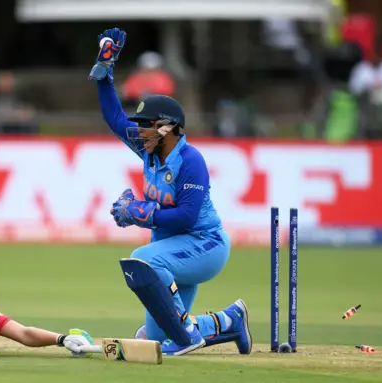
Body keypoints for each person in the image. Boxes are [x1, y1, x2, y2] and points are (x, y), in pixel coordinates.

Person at [89, 28, 252, 356]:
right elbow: (114, 117)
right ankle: (230, 320)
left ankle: (188, 333)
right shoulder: (149, 147)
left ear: (167, 128)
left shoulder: (191, 161)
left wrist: (139, 212)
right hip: (172, 251)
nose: (139, 129)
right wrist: (104, 73)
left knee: (141, 261)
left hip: (205, 245)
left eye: (146, 124)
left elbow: (187, 216)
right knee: (156, 340)